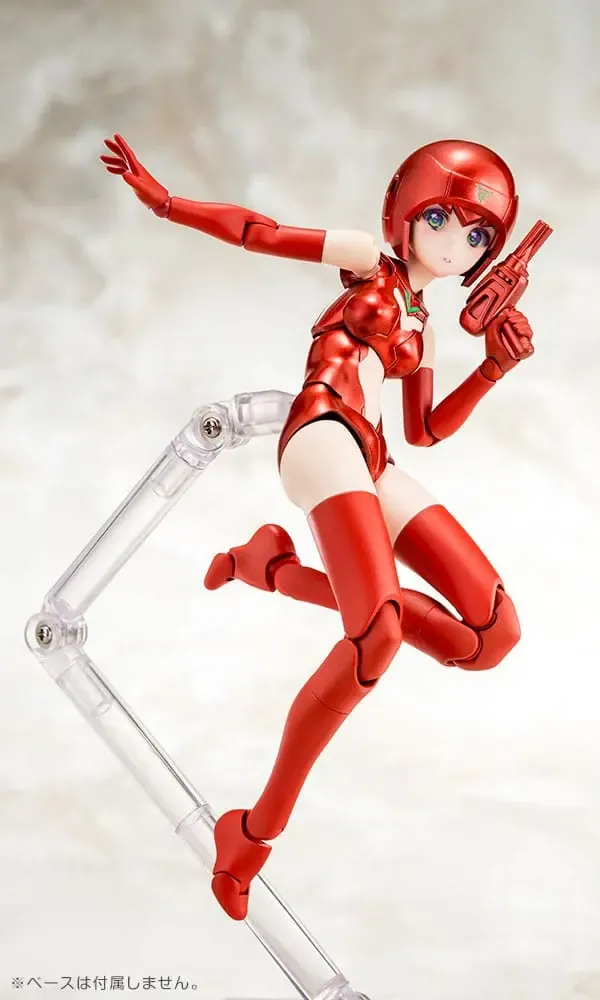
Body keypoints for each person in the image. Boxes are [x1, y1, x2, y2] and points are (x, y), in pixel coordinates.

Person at [101, 134, 536, 920]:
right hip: (322, 428)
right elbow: (259, 232)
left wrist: (493, 369)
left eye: (476, 234)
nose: (454, 243)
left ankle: (268, 566)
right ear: (406, 213)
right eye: (440, 218)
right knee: (376, 636)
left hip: (371, 450)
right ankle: (252, 833)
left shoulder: (425, 324)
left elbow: (426, 429)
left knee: (489, 636)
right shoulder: (367, 259)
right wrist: (165, 202)